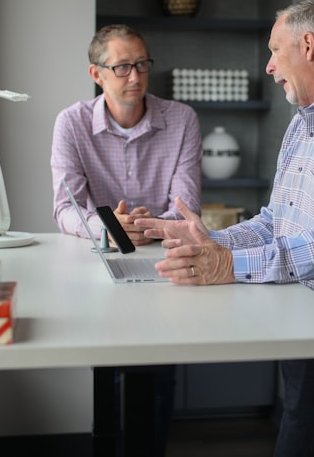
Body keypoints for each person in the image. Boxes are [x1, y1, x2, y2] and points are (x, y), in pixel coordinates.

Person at [135, 0, 314, 457]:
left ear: (308, 45)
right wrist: (209, 241)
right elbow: (275, 223)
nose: (268, 67)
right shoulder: (301, 125)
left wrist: (227, 265)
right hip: (309, 317)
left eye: (274, 50)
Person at [50, 23, 202, 457]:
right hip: (98, 268)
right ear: (96, 74)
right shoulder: (72, 123)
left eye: (141, 64)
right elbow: (66, 208)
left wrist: (141, 226)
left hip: (162, 266)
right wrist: (110, 230)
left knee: (158, 379)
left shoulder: (183, 119)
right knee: (108, 375)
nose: (134, 77)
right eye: (121, 67)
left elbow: (187, 206)